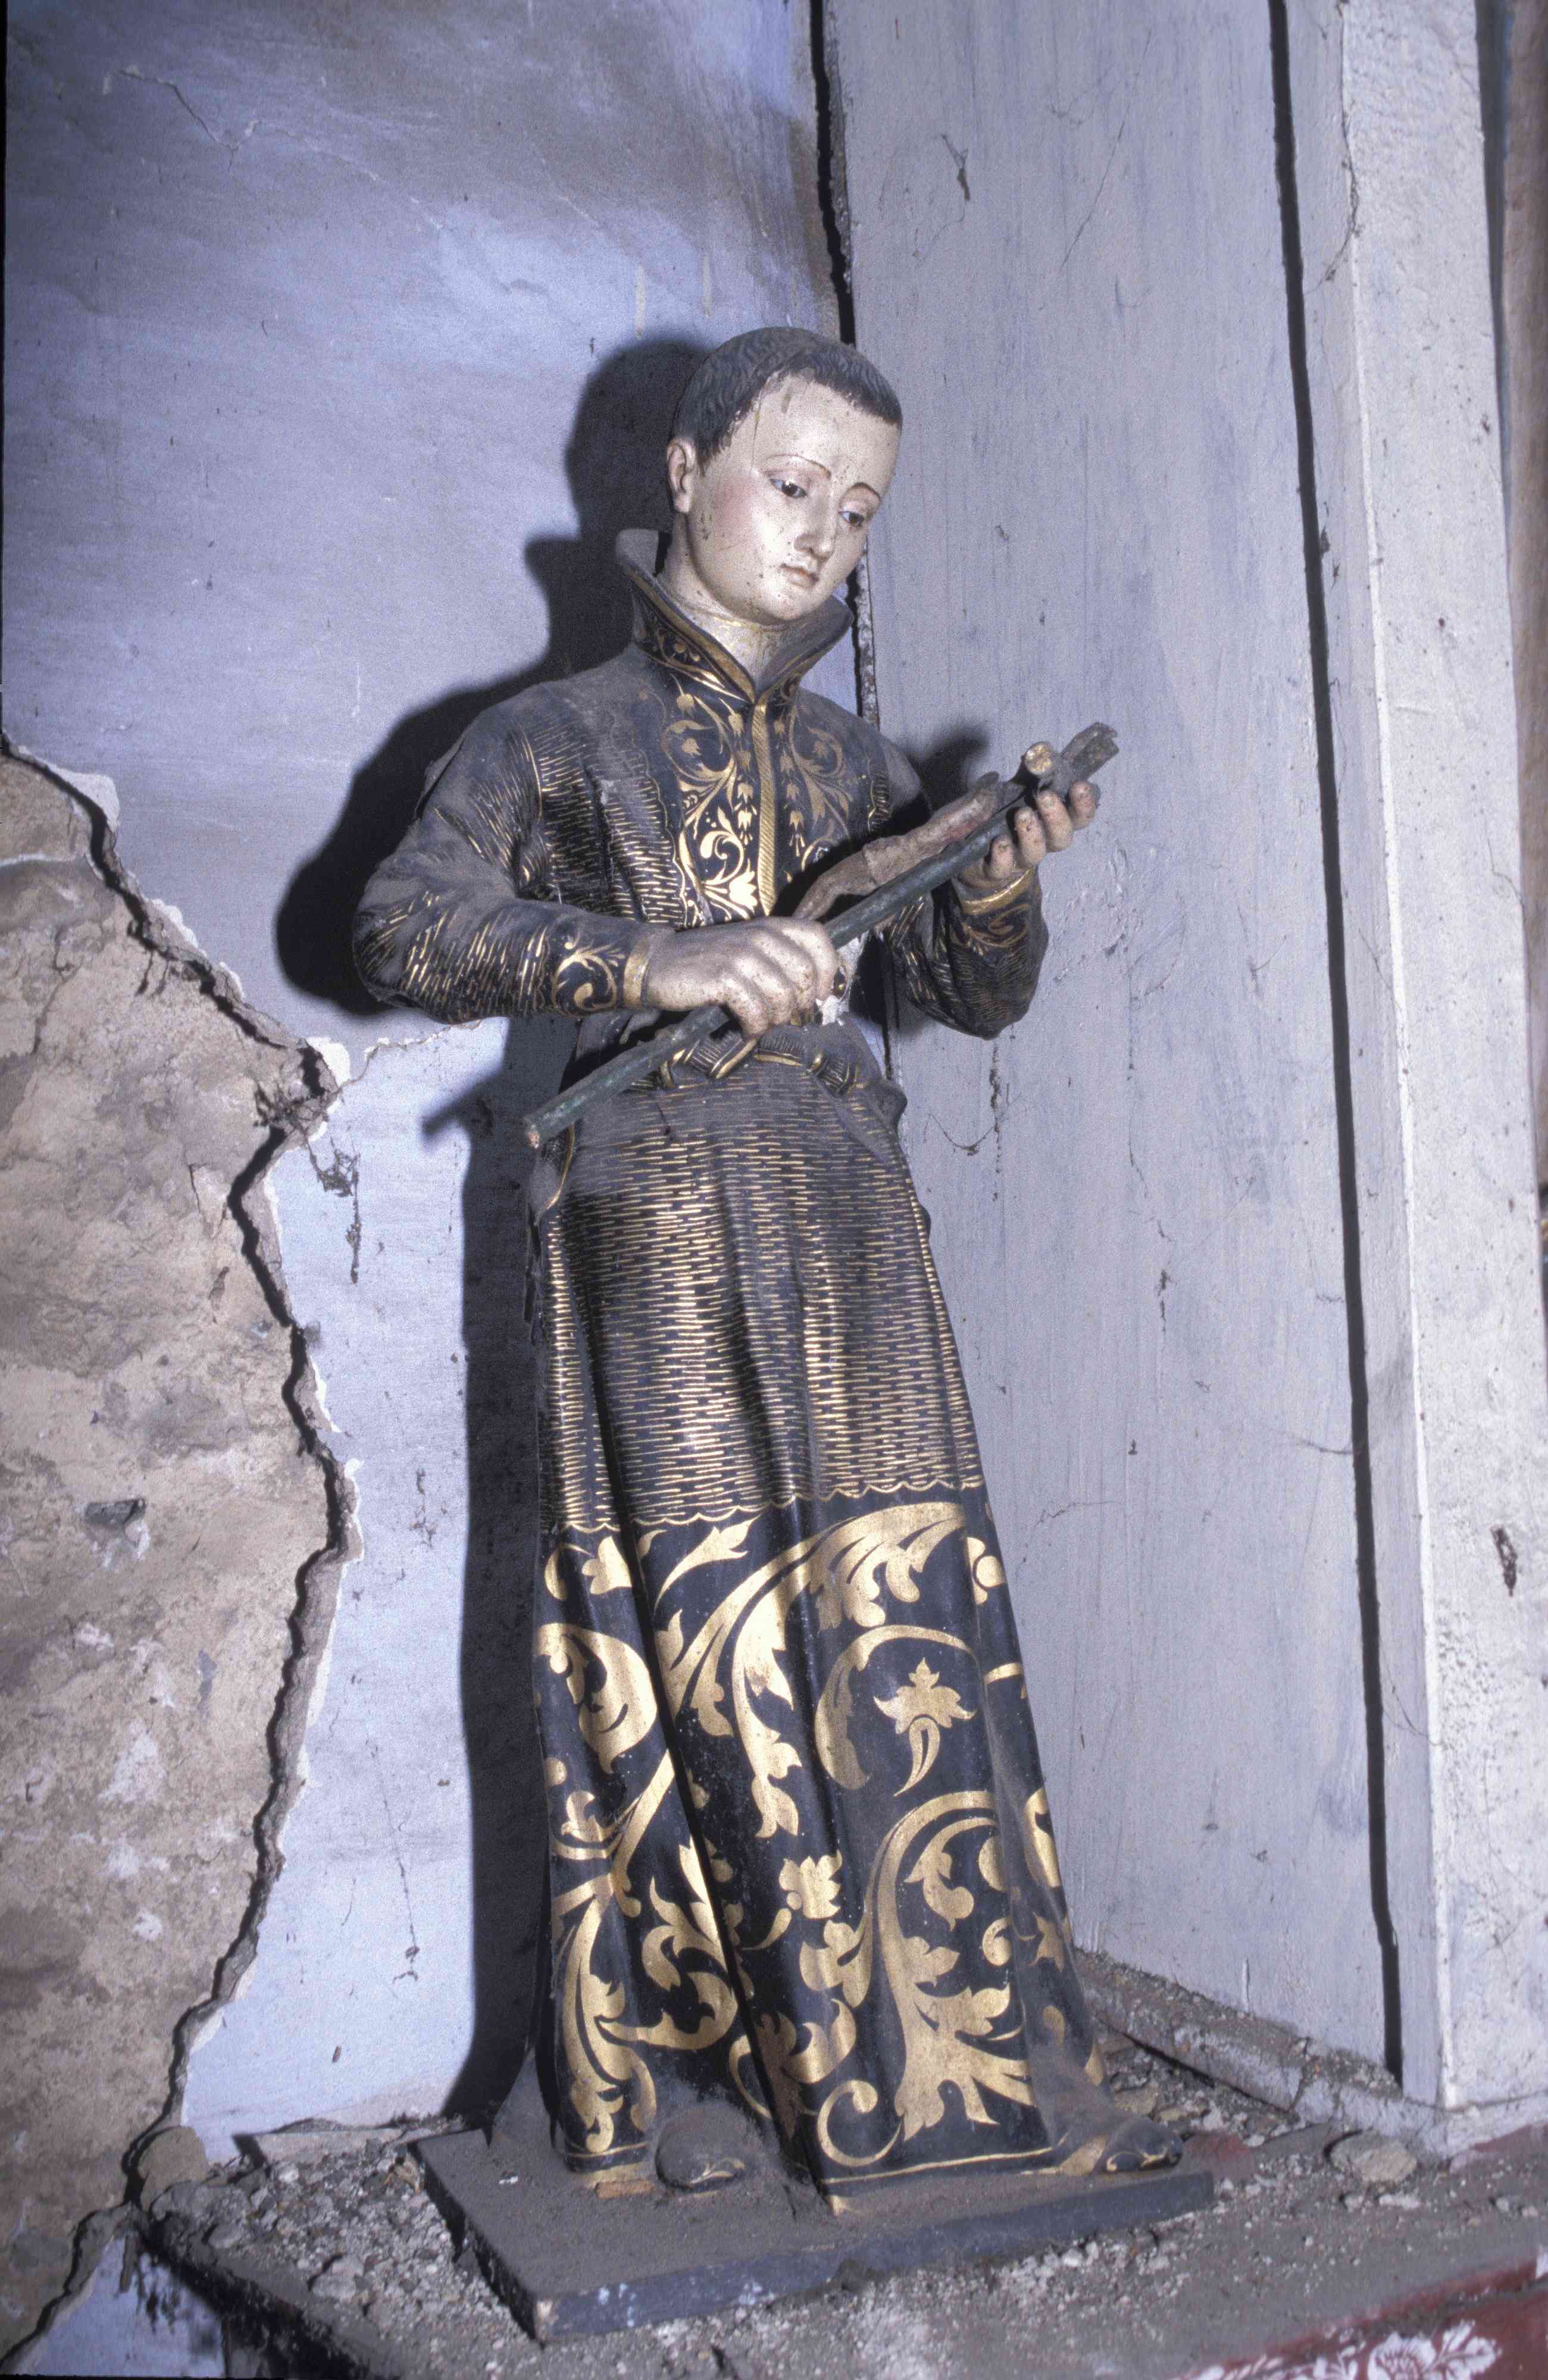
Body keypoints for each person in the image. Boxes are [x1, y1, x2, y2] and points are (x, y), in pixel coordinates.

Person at [354, 327, 1177, 2199]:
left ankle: (971, 2083)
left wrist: (988, 878)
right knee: (699, 1632)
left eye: (858, 510)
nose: (820, 534)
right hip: (653, 1216)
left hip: (847, 1215)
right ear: (682, 471)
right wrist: (654, 961)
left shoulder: (859, 761)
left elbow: (972, 996)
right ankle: (710, 2083)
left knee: (908, 1618)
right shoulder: (548, 737)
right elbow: (403, 925)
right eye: (790, 485)